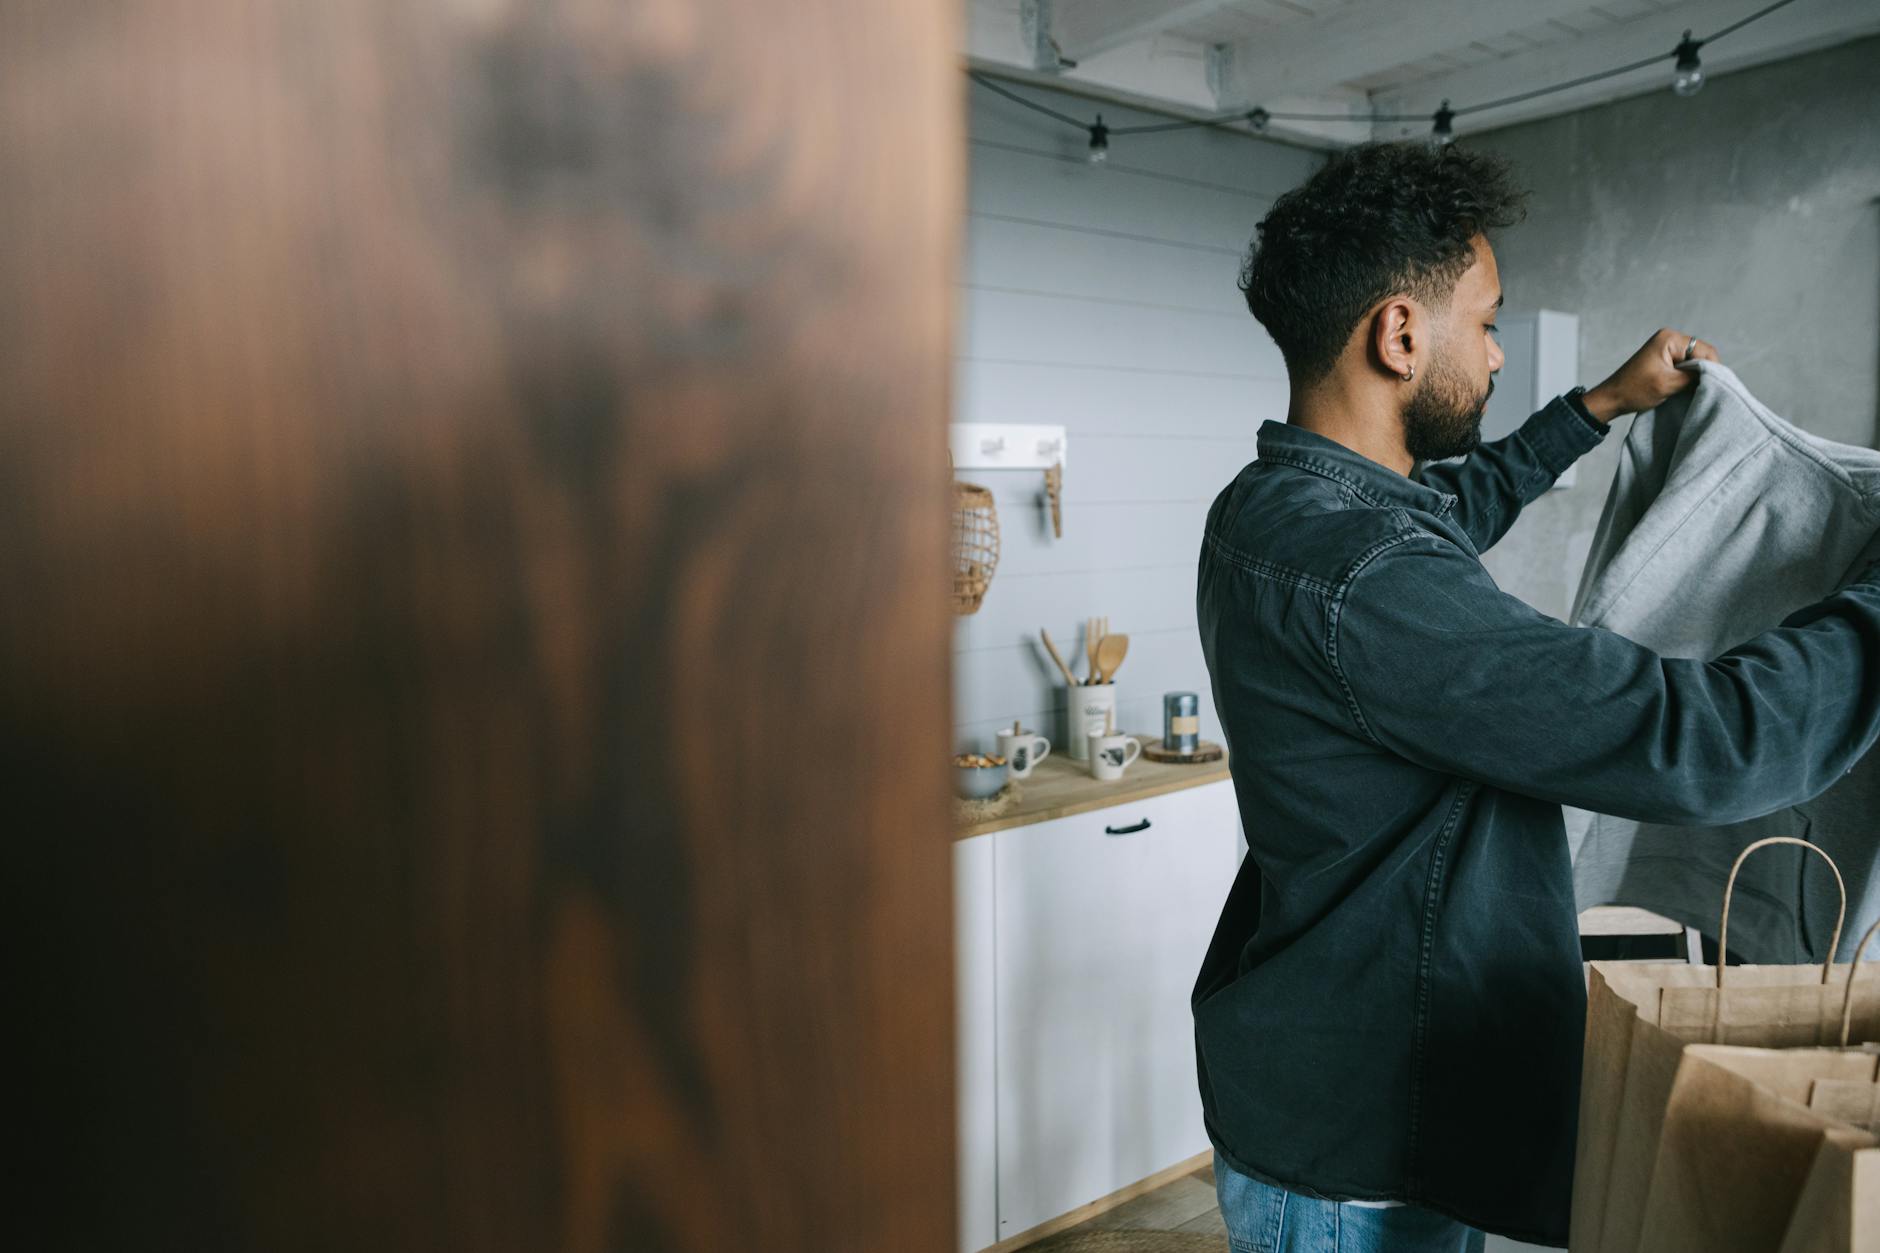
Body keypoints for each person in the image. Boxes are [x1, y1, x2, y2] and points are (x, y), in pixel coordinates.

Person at [1192, 140, 1880, 1251]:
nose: (1499, 352)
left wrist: (1601, 401)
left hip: (1343, 1086)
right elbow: (1701, 739)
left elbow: (1449, 510)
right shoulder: (1365, 578)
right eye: (1490, 320)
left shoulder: (1283, 506)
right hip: (1358, 1152)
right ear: (1400, 333)